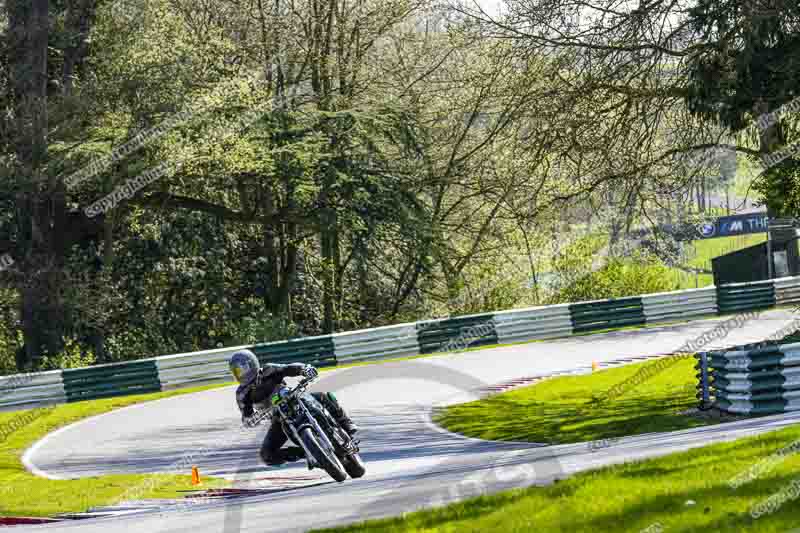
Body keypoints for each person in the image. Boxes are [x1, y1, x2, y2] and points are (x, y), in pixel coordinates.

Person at [229, 349, 359, 466]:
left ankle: (346, 423)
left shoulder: (268, 370)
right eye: (236, 372)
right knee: (266, 455)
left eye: (241, 370)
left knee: (322, 395)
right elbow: (246, 415)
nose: (240, 374)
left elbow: (288, 368)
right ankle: (308, 452)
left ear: (252, 364)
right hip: (279, 418)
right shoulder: (242, 393)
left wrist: (304, 369)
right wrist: (249, 420)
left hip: (295, 399)